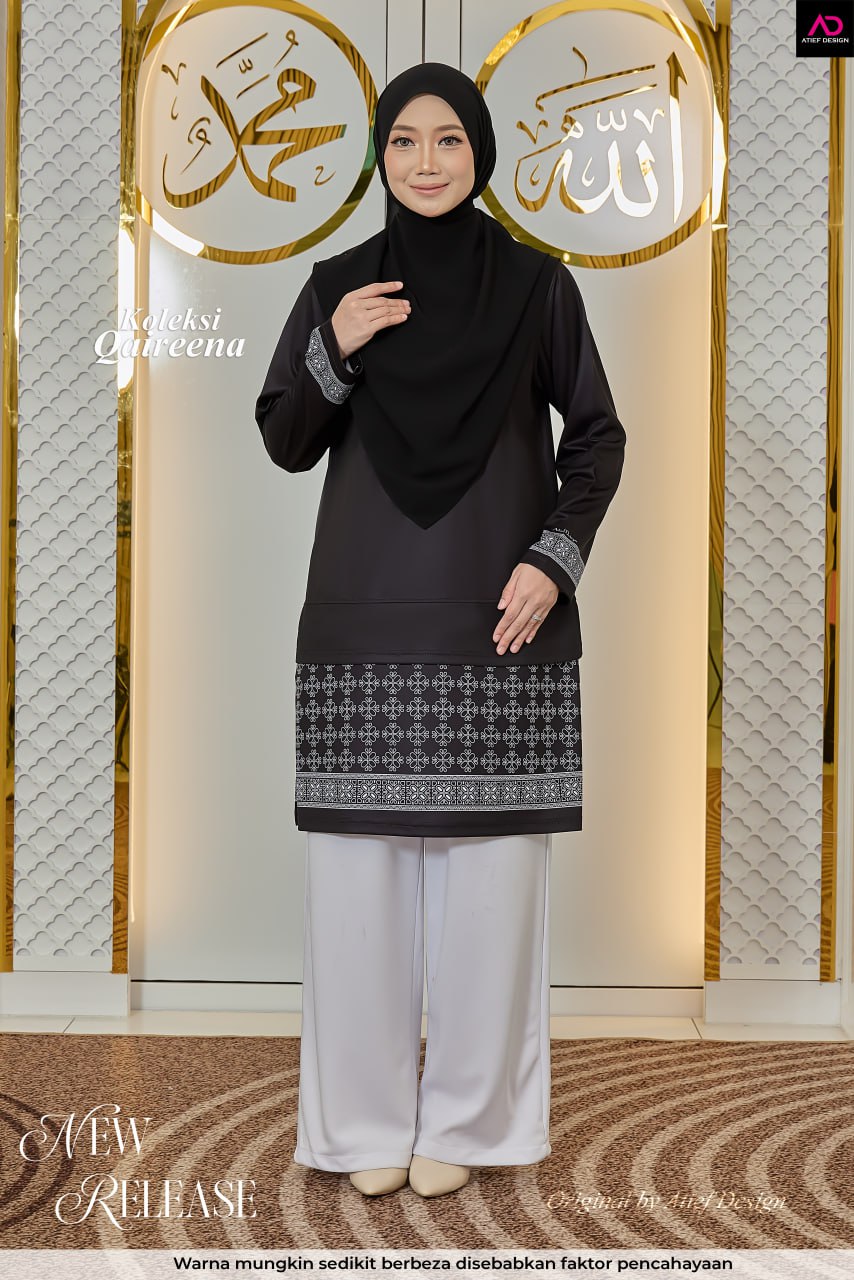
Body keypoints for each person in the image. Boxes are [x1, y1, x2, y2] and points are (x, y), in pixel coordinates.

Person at [254, 62, 626, 1199]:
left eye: (449, 140)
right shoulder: (336, 286)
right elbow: (284, 438)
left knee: (490, 900)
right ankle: (361, 1124)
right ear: (381, 155)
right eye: (405, 141)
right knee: (356, 898)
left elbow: (596, 436)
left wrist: (552, 561)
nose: (426, 161)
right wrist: (334, 347)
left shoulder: (536, 287)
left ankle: (468, 1121)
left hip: (499, 621)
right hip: (364, 624)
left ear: (480, 154)